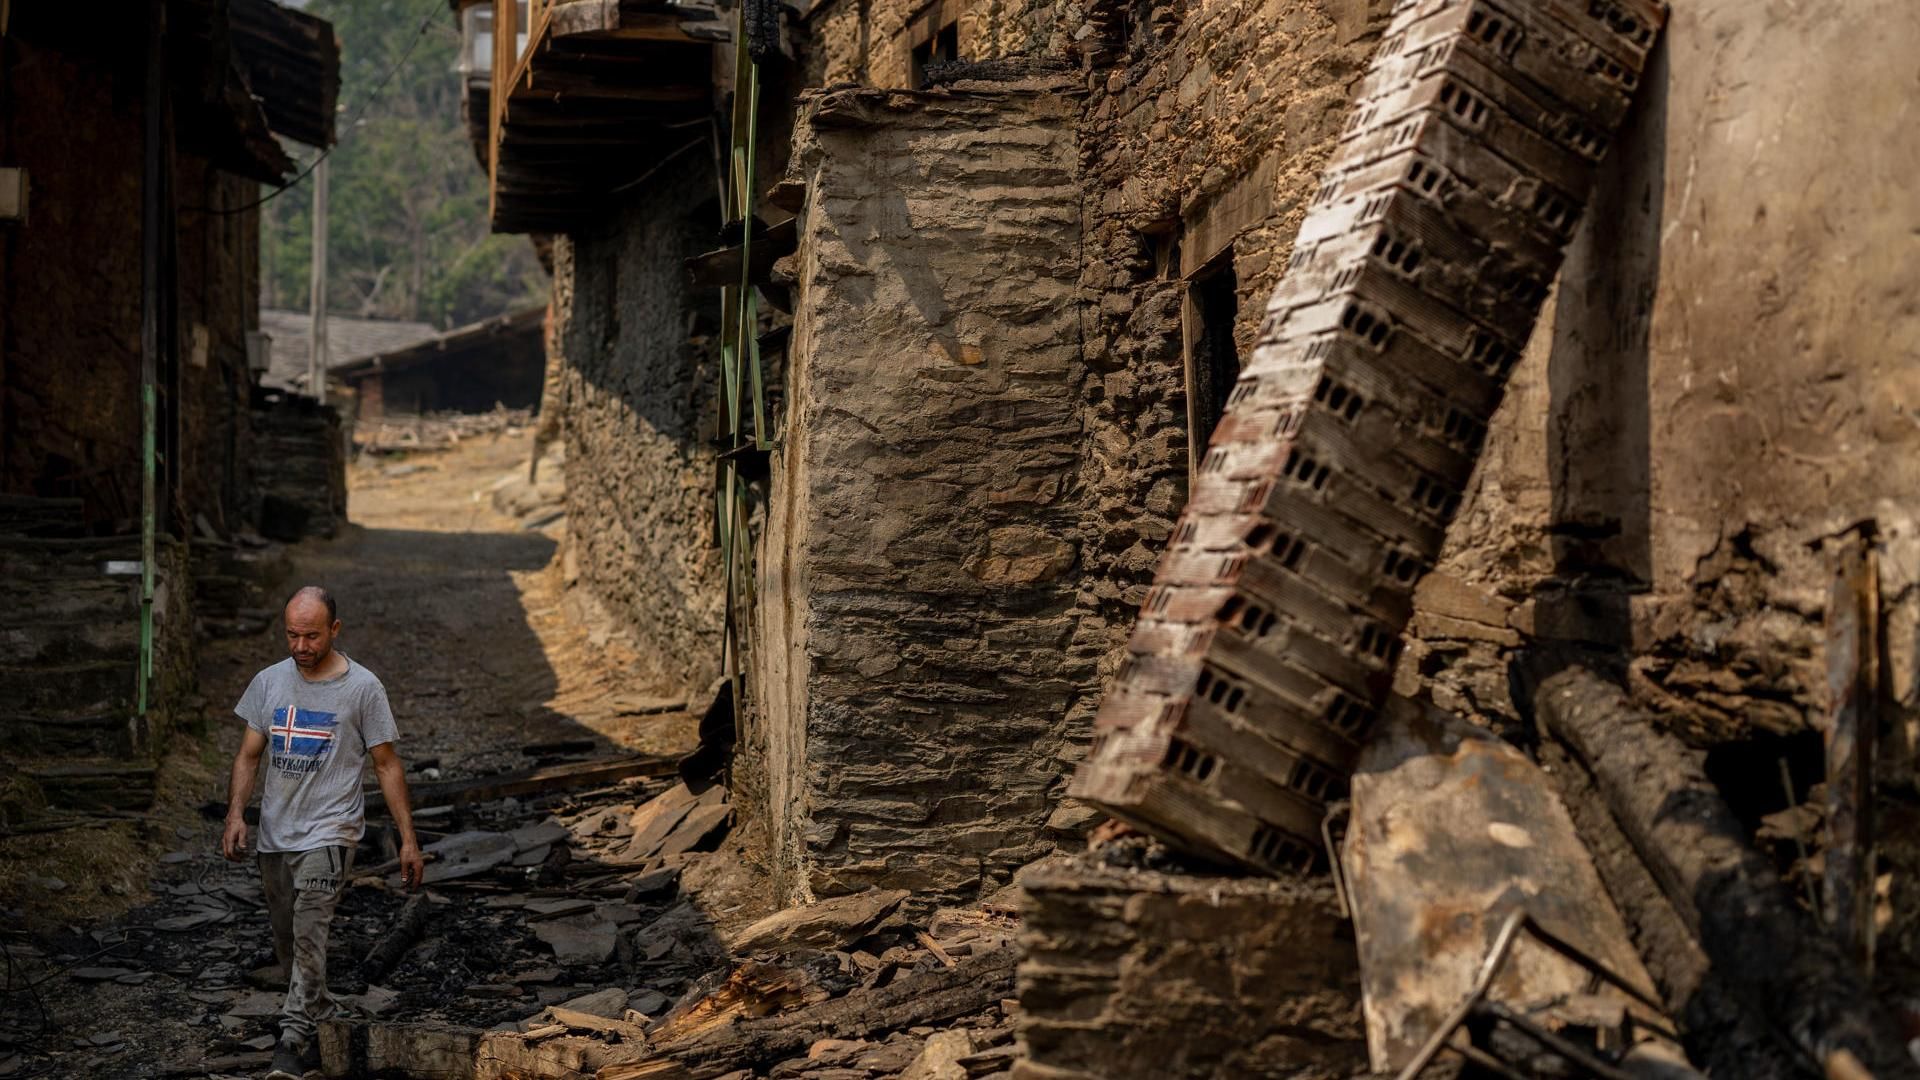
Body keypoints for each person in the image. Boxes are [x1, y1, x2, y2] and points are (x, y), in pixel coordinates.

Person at [221, 586, 425, 1080]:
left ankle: (291, 1046)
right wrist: (235, 815)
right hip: (276, 833)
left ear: (334, 630)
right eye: (291, 634)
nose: (300, 646)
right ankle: (326, 1017)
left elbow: (386, 765)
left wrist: (408, 839)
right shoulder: (268, 683)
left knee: (311, 932)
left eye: (311, 635)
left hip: (331, 832)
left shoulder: (363, 689)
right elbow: (249, 755)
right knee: (291, 945)